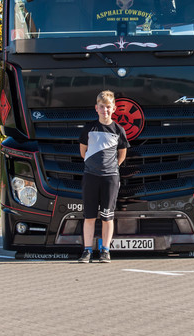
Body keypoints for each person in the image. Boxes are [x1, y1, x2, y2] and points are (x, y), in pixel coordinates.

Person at [77, 90, 129, 263]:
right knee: (89, 216)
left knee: (107, 216)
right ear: (96, 108)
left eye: (108, 107)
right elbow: (83, 152)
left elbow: (122, 154)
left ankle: (105, 251)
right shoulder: (89, 128)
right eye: (102, 107)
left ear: (114, 108)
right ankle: (87, 251)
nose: (105, 110)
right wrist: (94, 165)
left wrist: (112, 167)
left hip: (110, 178)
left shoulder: (118, 130)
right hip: (91, 176)